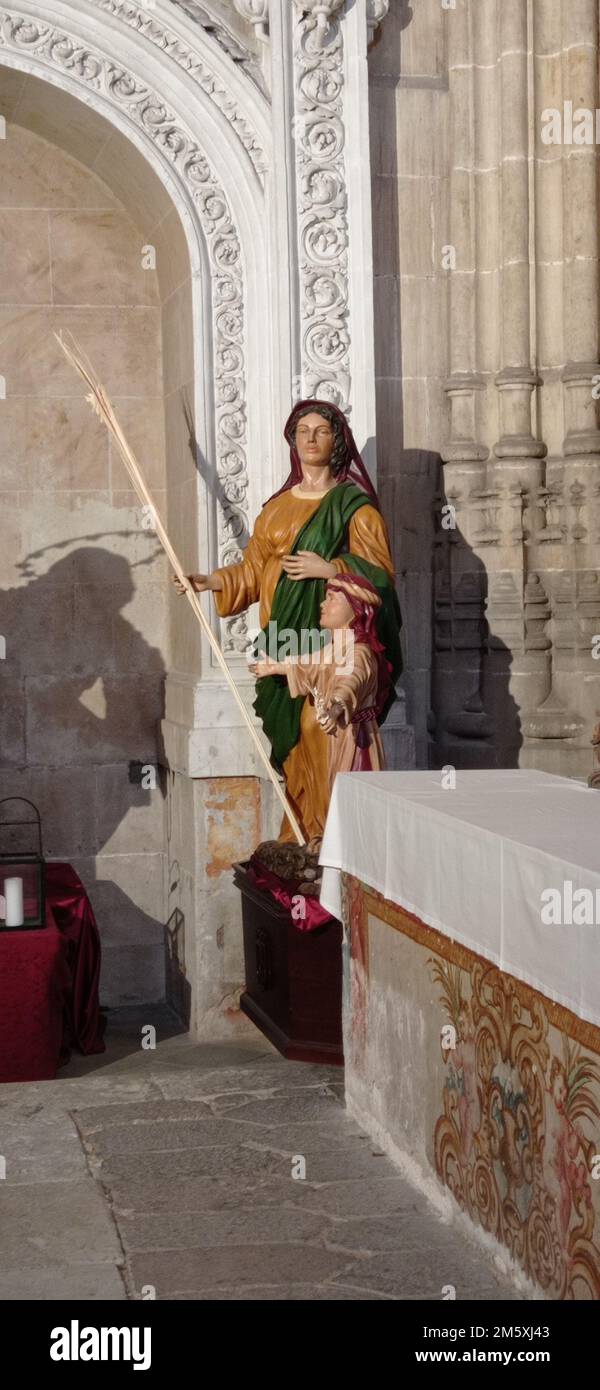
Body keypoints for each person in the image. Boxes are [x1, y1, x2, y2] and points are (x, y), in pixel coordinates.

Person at [174, 399, 402, 840]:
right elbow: (253, 572)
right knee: (290, 744)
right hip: (280, 634)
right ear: (292, 441)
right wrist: (209, 581)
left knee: (318, 729)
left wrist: (330, 570)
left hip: (328, 637)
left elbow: (381, 581)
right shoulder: (276, 508)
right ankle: (299, 832)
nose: (311, 439)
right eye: (302, 431)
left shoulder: (355, 508)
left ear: (337, 441)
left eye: (321, 431)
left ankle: (326, 834)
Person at [251, 574, 390, 825]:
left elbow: (352, 680)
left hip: (349, 739)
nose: (322, 605)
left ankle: (341, 851)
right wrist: (277, 667)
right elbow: (313, 665)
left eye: (332, 599)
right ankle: (323, 841)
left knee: (344, 800)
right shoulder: (338, 645)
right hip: (328, 740)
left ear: (355, 610)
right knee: (323, 796)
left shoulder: (359, 651)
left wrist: (337, 706)